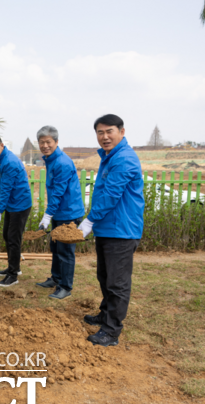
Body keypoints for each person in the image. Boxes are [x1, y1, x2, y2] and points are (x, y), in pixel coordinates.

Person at [77, 114, 144, 347]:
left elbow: (111, 195)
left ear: (121, 132)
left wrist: (89, 221)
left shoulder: (124, 158)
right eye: (100, 132)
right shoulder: (109, 156)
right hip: (108, 228)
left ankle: (111, 331)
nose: (104, 137)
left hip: (122, 230)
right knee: (105, 277)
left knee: (117, 283)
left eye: (109, 131)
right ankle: (105, 314)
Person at [35, 126, 85, 300]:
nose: (45, 145)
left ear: (56, 142)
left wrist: (47, 215)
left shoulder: (62, 162)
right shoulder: (51, 160)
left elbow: (58, 192)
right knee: (55, 247)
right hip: (60, 212)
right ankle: (56, 278)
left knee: (65, 251)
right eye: (42, 142)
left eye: (48, 142)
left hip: (69, 213)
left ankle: (65, 287)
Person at [0, 133, 32, 287]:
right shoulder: (0, 160)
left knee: (13, 239)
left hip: (20, 205)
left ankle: (13, 276)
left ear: (1, 145)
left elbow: (5, 190)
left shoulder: (9, 162)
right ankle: (14, 267)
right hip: (12, 204)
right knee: (7, 235)